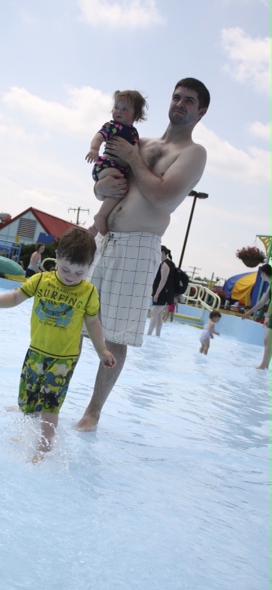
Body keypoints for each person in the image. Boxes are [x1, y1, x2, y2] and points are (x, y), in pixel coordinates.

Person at [75, 77, 210, 432]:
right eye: (177, 97)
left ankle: (93, 413)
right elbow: (106, 179)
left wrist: (134, 159)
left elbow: (163, 196)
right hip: (107, 240)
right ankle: (50, 398)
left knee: (115, 335)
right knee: (73, 321)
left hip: (138, 246)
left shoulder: (192, 153)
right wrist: (98, 186)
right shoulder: (142, 141)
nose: (180, 104)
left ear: (201, 112)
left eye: (189, 101)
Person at [0, 228, 116, 462]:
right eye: (65, 269)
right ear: (57, 258)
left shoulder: (88, 292)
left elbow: (93, 322)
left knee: (51, 406)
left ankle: (44, 448)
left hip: (63, 360)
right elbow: (15, 297)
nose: (71, 276)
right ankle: (28, 435)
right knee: (28, 401)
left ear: (89, 267)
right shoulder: (42, 280)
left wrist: (102, 350)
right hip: (36, 353)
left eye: (79, 272)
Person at [85, 90, 147, 237]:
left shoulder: (134, 133)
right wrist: (94, 149)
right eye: (116, 107)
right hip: (106, 165)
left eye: (124, 109)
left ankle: (96, 224)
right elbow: (99, 136)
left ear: (136, 115)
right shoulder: (113, 126)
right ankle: (100, 216)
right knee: (119, 182)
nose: (118, 111)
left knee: (119, 190)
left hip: (117, 170)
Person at [242, 263, 272, 370]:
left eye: (260, 274)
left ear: (263, 273)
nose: (260, 276)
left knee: (267, 340)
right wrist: (249, 312)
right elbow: (262, 302)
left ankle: (263, 365)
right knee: (268, 340)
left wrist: (267, 316)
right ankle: (266, 365)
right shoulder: (270, 285)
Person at [147, 245, 175, 336]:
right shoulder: (170, 263)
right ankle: (157, 335)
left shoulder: (165, 264)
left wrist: (157, 294)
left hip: (162, 293)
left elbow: (163, 280)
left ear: (162, 253)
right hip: (165, 293)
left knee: (154, 312)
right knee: (159, 315)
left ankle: (149, 334)